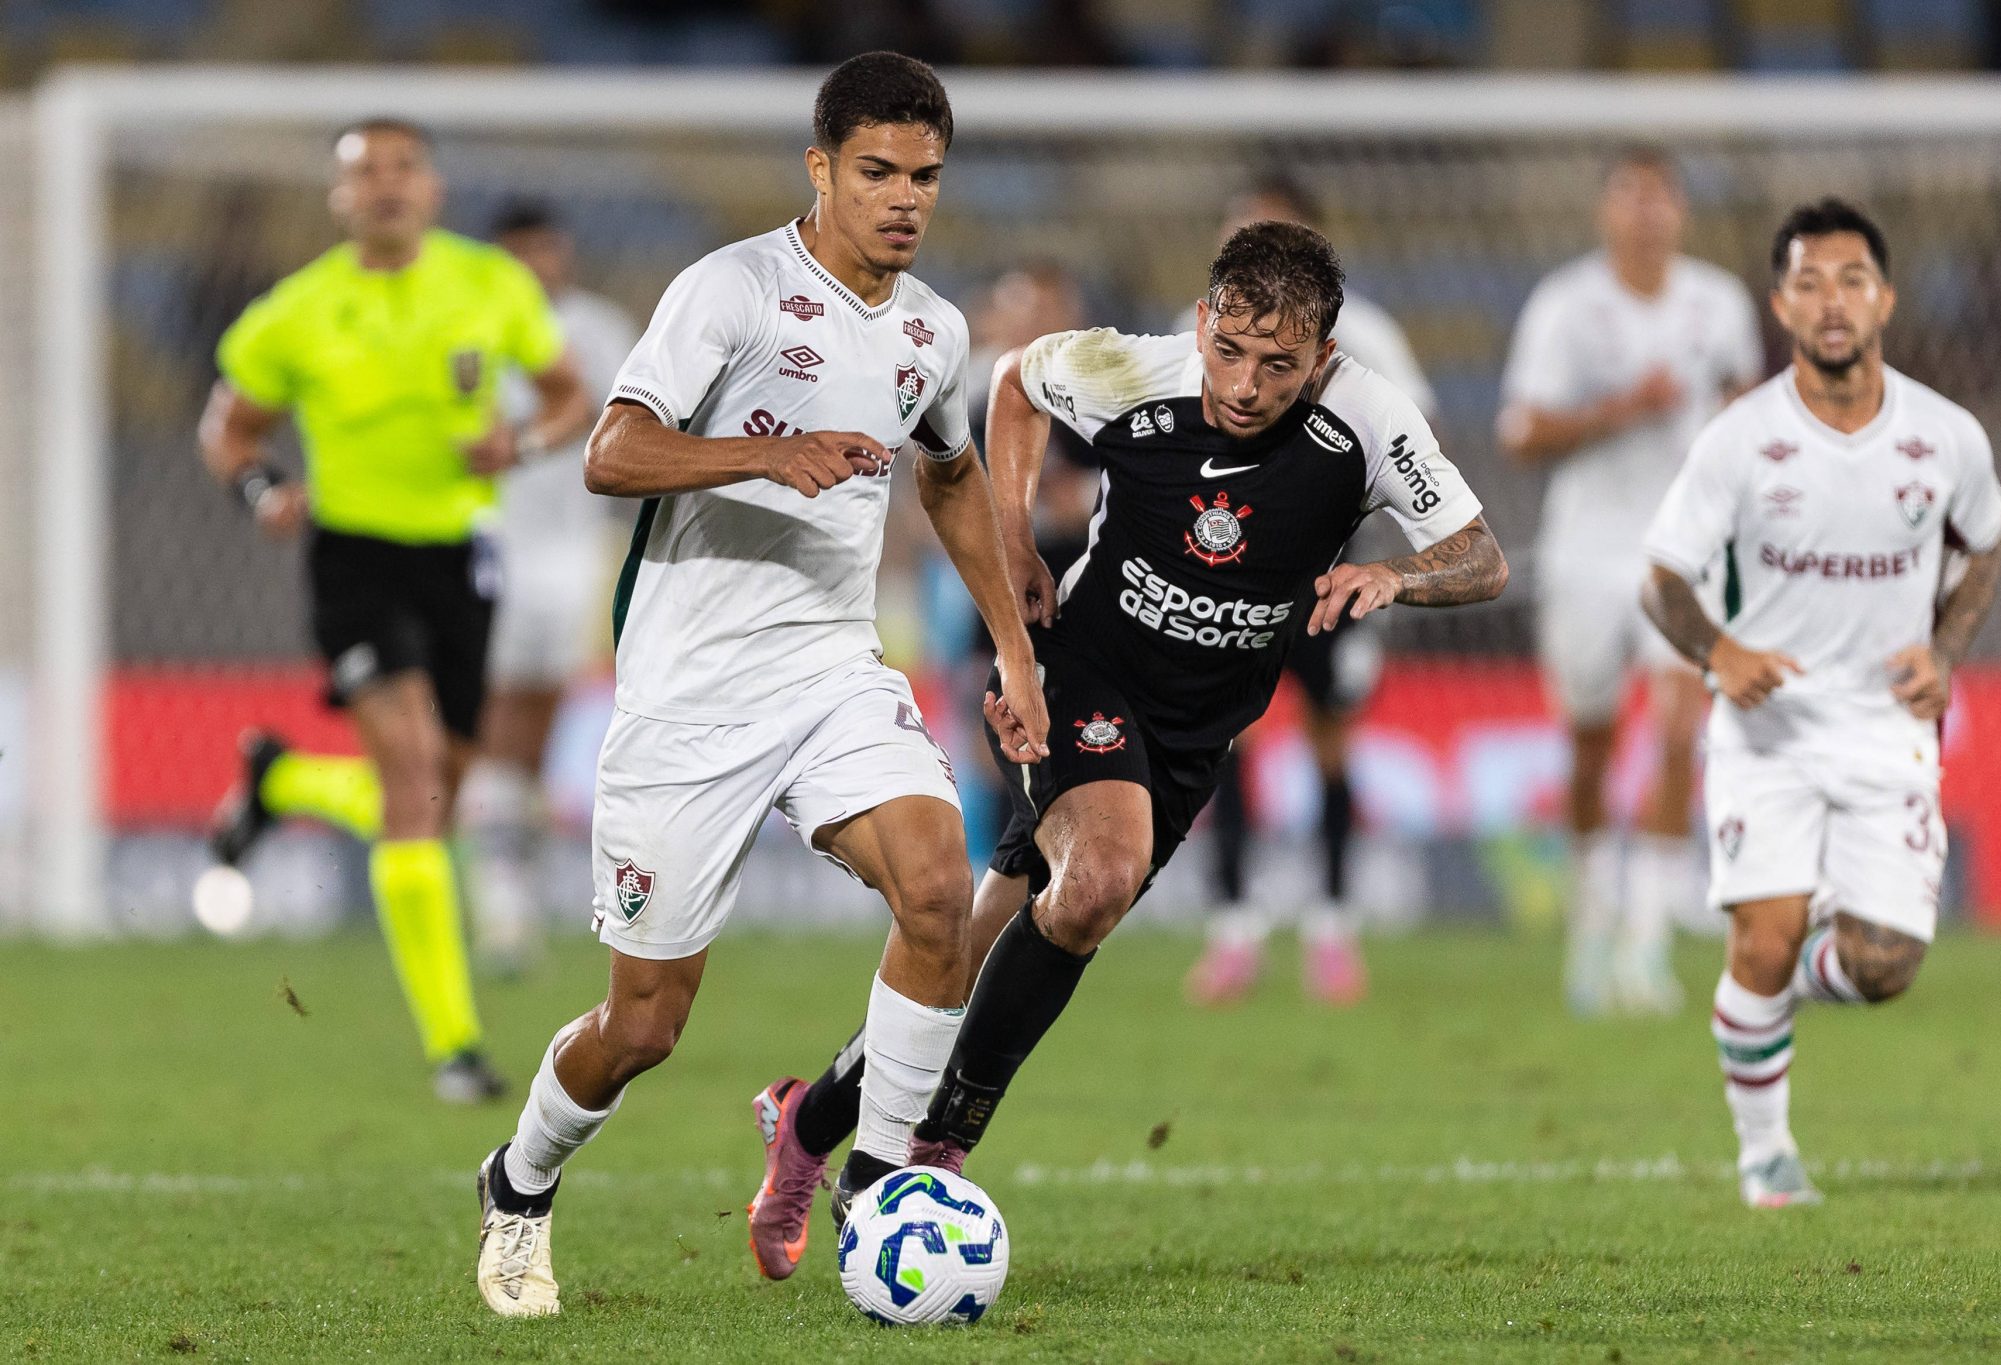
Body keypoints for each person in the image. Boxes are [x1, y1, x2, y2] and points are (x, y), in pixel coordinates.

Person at [752, 220, 1507, 1243]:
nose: (1243, 384)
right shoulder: (1128, 372)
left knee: (977, 953)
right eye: (1228, 351)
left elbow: (1478, 557)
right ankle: (933, 1151)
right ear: (1200, 322)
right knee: (1100, 876)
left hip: (1195, 736)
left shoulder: (1368, 420)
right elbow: (1013, 379)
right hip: (1084, 670)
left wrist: (1398, 576)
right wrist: (1013, 536)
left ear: (1322, 360)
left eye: (1277, 366)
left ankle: (809, 1122)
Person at [470, 53, 1050, 1318]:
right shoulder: (730, 291)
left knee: (939, 890)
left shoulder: (929, 329)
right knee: (643, 1027)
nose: (903, 199)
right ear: (820, 168)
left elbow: (948, 473)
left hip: (832, 669)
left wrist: (1011, 646)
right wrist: (760, 457)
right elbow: (611, 452)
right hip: (689, 698)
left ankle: (879, 1186)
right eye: (876, 172)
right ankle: (517, 1184)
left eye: (925, 178)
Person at [199, 118, 591, 1102]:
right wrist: (261, 493)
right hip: (354, 558)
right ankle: (454, 1047)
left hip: (461, 558)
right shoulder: (294, 311)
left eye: (401, 168)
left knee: (435, 796)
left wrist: (523, 445)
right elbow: (230, 426)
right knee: (416, 777)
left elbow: (566, 397)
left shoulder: (490, 285)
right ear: (340, 199)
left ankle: (283, 784)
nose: (383, 185)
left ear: (433, 189)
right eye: (363, 172)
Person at [1640, 199, 2001, 1208]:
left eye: (1849, 280)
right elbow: (1660, 578)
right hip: (1769, 732)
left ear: (1882, 298)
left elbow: (1982, 545)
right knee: (1760, 939)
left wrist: (1944, 649)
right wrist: (1718, 651)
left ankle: (1767, 988)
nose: (1830, 301)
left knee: (1881, 967)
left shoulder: (1945, 436)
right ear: (1779, 305)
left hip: (1888, 727)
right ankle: (1764, 1156)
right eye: (1807, 283)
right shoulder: (1739, 439)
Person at [1498, 146, 1764, 1016]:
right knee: (1591, 746)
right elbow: (1521, 431)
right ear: (1607, 212)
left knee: (1681, 728)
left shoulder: (1718, 302)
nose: (1647, 213)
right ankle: (1592, 923)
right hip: (1584, 549)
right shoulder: (1567, 306)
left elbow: (1746, 408)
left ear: (1680, 211)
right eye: (1631, 197)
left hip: (1682, 548)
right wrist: (1622, 408)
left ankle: (1647, 945)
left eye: (1660, 198)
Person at [1176, 174, 1440, 1009]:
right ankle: (1234, 930)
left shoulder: (1363, 337)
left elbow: (1411, 441)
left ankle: (1331, 927)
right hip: (1224, 572)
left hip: (1328, 576)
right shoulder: (1203, 332)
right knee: (1226, 746)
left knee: (1332, 742)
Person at [457, 202, 641, 974]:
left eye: (550, 249)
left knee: (537, 719)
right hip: (491, 543)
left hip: (577, 547)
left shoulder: (598, 329)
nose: (540, 265)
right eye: (523, 251)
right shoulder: (467, 329)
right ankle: (497, 903)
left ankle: (510, 893)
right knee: (496, 715)